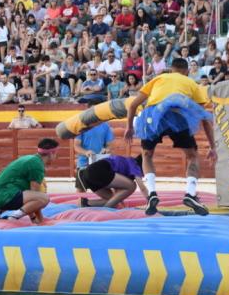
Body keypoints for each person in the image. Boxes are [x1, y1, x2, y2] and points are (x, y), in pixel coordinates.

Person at [125, 58, 217, 215]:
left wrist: (129, 127)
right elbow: (203, 116)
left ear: (171, 69)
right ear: (186, 71)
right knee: (192, 156)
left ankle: (152, 193)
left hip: (153, 115)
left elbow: (133, 105)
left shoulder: (159, 78)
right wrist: (212, 146)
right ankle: (190, 193)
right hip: (178, 115)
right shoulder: (191, 83)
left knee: (146, 154)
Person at [0, 138, 60, 222]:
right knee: (44, 198)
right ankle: (13, 217)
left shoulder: (29, 158)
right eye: (56, 154)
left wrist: (33, 217)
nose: (56, 157)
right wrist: (40, 220)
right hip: (3, 197)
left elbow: (29, 200)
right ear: (51, 153)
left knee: (23, 192)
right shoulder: (37, 165)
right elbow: (35, 196)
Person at [76, 154, 148, 208]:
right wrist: (150, 200)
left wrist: (123, 206)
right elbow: (142, 188)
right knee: (132, 186)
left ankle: (86, 203)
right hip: (98, 171)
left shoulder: (126, 163)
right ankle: (106, 210)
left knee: (113, 200)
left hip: (89, 173)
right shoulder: (135, 165)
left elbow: (118, 192)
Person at [74, 117, 115, 191]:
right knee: (81, 190)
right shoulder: (81, 125)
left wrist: (106, 150)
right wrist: (86, 152)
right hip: (83, 164)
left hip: (99, 163)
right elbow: (76, 146)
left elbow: (109, 145)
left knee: (104, 189)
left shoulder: (105, 125)